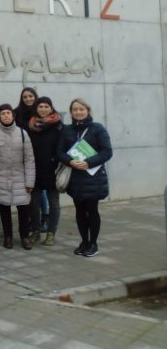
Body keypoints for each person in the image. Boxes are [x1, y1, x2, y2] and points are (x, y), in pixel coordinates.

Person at [57, 99, 113, 258]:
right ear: (71, 112)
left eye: (81, 109)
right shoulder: (67, 130)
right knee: (80, 211)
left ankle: (93, 243)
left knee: (92, 211)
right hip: (75, 178)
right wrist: (70, 161)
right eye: (75, 109)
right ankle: (84, 241)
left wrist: (88, 163)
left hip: (92, 177)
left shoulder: (97, 128)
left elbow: (107, 152)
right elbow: (59, 152)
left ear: (88, 110)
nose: (78, 112)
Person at [0, 104, 35, 250]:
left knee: (23, 209)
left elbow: (29, 159)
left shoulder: (22, 133)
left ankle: (24, 236)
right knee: (4, 209)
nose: (6, 115)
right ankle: (8, 236)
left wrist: (30, 181)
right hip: (0, 178)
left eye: (8, 113)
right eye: (2, 113)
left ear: (13, 115)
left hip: (20, 178)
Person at [26, 97, 63, 246]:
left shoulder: (59, 126)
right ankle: (35, 230)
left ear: (51, 108)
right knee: (33, 203)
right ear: (36, 108)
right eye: (40, 106)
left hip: (53, 170)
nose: (43, 109)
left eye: (46, 106)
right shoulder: (30, 125)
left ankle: (51, 233)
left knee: (53, 203)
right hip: (34, 170)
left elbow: (63, 146)